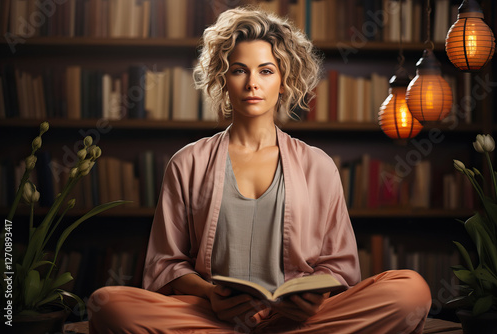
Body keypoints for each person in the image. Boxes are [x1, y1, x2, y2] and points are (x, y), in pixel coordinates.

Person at [88, 7, 431, 333]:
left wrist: (311, 299)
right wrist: (210, 295)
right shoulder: (187, 162)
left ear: (283, 81)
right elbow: (165, 264)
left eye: (266, 71)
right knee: (108, 304)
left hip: (299, 321)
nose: (252, 83)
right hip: (210, 318)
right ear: (223, 79)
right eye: (239, 70)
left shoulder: (318, 165)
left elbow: (340, 266)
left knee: (410, 290)